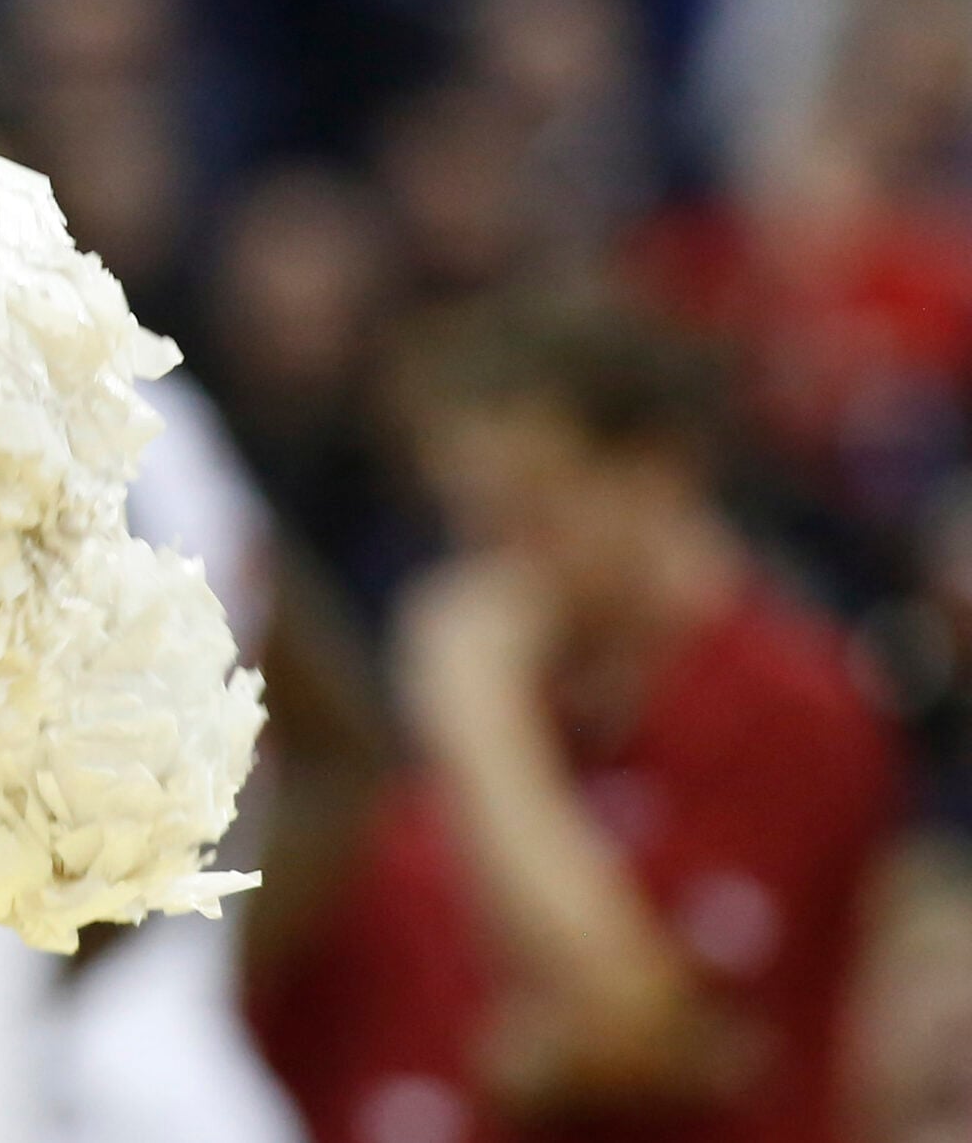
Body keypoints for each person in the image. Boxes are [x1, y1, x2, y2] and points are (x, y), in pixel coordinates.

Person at [252, 293, 902, 1143]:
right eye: (469, 517)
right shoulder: (548, 698)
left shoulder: (791, 705)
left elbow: (634, 1016)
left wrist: (478, 713)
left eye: (532, 509)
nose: (494, 559)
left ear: (655, 472)